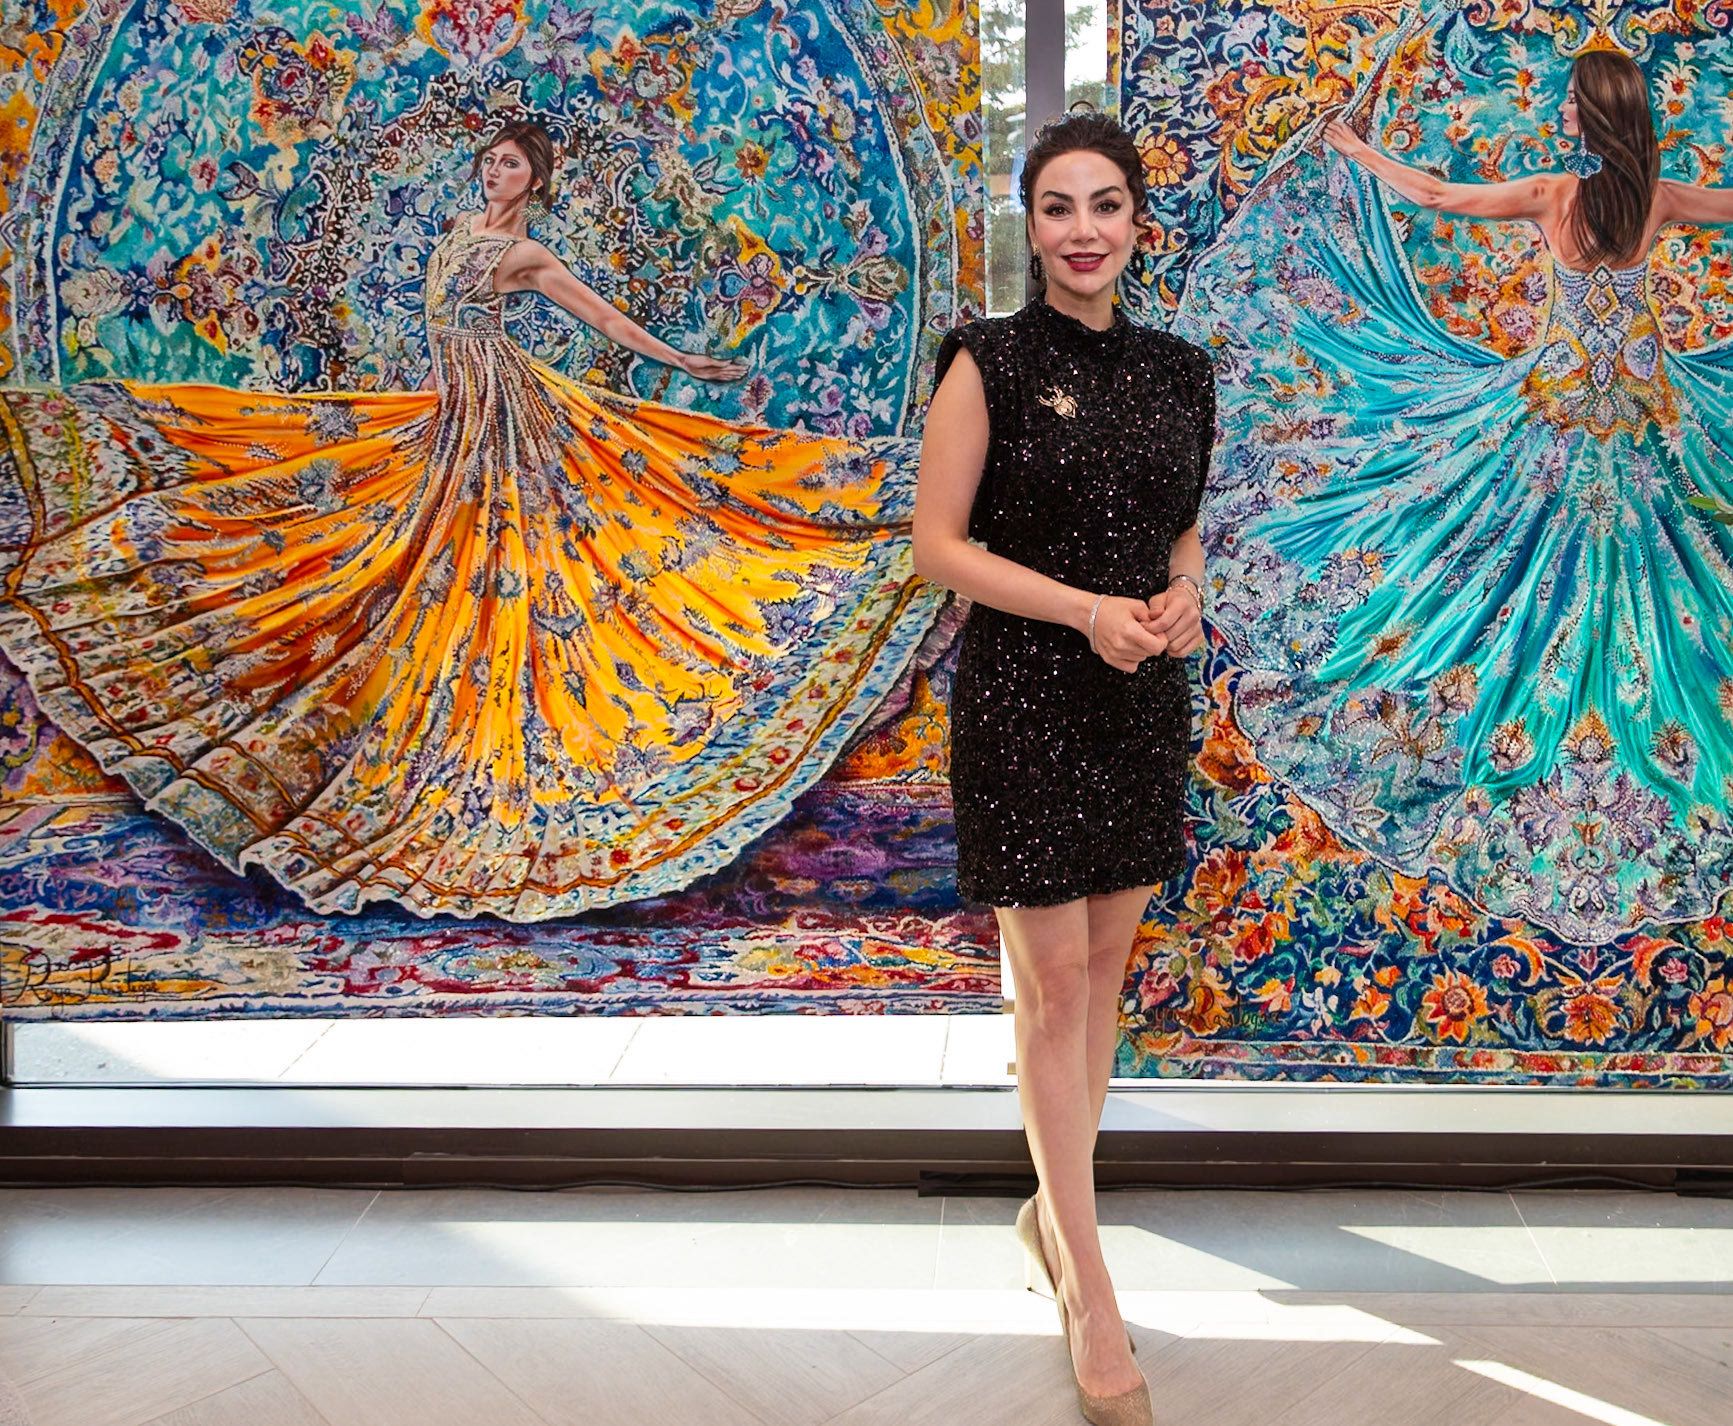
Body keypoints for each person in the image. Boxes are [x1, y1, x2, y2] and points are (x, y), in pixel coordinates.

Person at [0, 118, 944, 920]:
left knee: (524, 561)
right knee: (342, 521)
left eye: (512, 166)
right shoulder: (456, 229)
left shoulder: (528, 256)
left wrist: (684, 364)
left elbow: (603, 322)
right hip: (448, 407)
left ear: (536, 182)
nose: (496, 174)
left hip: (503, 407)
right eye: (490, 162)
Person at [1175, 44, 1733, 946]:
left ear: (1592, 117)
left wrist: (1353, 149)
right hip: (1639, 410)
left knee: (1500, 554)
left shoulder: (1556, 193)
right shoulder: (1659, 197)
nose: (1561, 115)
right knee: (1648, 569)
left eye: (1571, 105)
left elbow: (1434, 196)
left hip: (1560, 406)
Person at [914, 109, 1215, 1426]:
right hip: (1026, 702)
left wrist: (1182, 593)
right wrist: (1083, 611)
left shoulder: (1182, 372)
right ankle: (1089, 1285)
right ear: (1029, 228)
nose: (1082, 229)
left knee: (1101, 972)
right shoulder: (985, 360)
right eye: (1057, 207)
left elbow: (1179, 527)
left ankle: (1055, 1210)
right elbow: (937, 547)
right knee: (1047, 992)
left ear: (1136, 223)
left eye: (1104, 205)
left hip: (1138, 704)